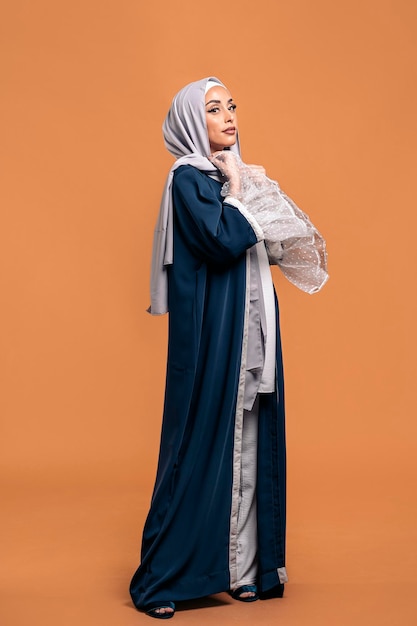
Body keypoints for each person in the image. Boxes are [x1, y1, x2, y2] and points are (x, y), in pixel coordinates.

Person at [130, 76, 291, 619]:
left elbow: (267, 246)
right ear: (188, 123)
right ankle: (162, 579)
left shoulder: (228, 172)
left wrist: (244, 186)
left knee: (247, 432)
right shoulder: (190, 180)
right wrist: (241, 192)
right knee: (201, 440)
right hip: (213, 334)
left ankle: (241, 571)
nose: (228, 116)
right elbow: (223, 240)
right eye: (213, 109)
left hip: (247, 326)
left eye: (232, 106)